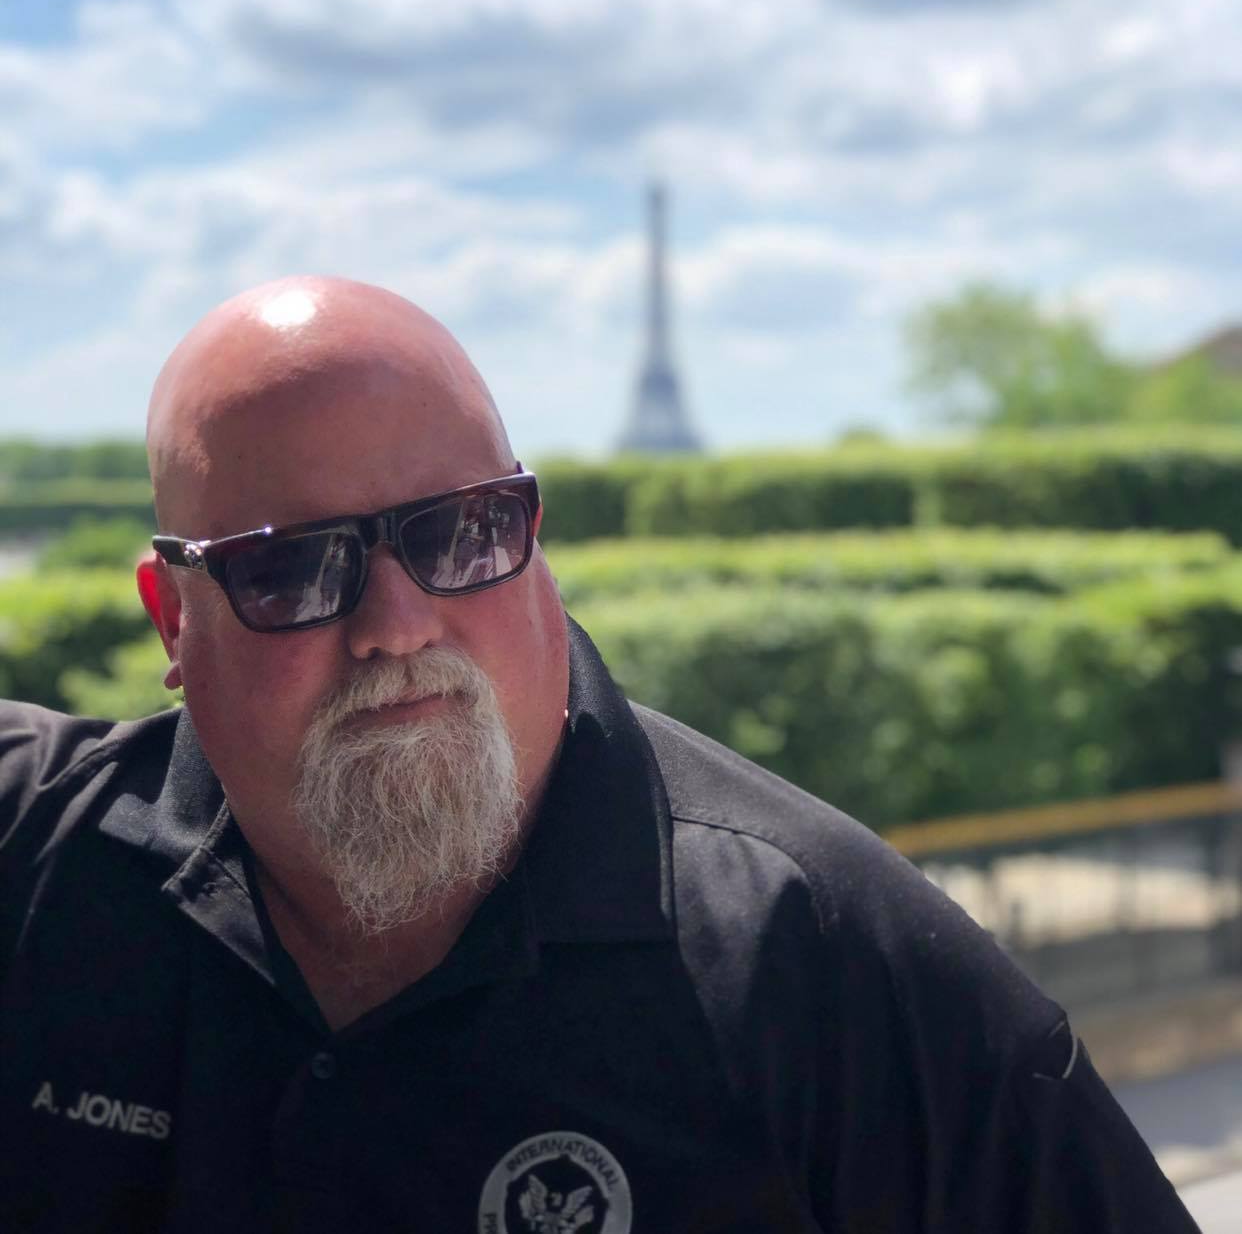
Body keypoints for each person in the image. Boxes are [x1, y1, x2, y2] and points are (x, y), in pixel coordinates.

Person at [0, 277, 1197, 1233]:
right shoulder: (35, 859)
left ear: (532, 533)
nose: (397, 625)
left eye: (462, 533)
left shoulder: (832, 964)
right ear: (173, 619)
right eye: (288, 568)